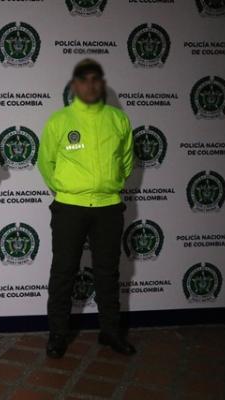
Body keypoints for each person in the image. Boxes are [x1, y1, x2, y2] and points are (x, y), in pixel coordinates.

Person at [37, 59, 136, 359]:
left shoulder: (118, 120)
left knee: (107, 272)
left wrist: (110, 184)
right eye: (84, 80)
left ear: (102, 84)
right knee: (63, 272)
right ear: (74, 85)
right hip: (70, 208)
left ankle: (110, 332)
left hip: (108, 207)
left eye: (95, 79)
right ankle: (57, 335)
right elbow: (46, 162)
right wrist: (68, 188)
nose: (90, 85)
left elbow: (126, 162)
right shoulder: (59, 120)